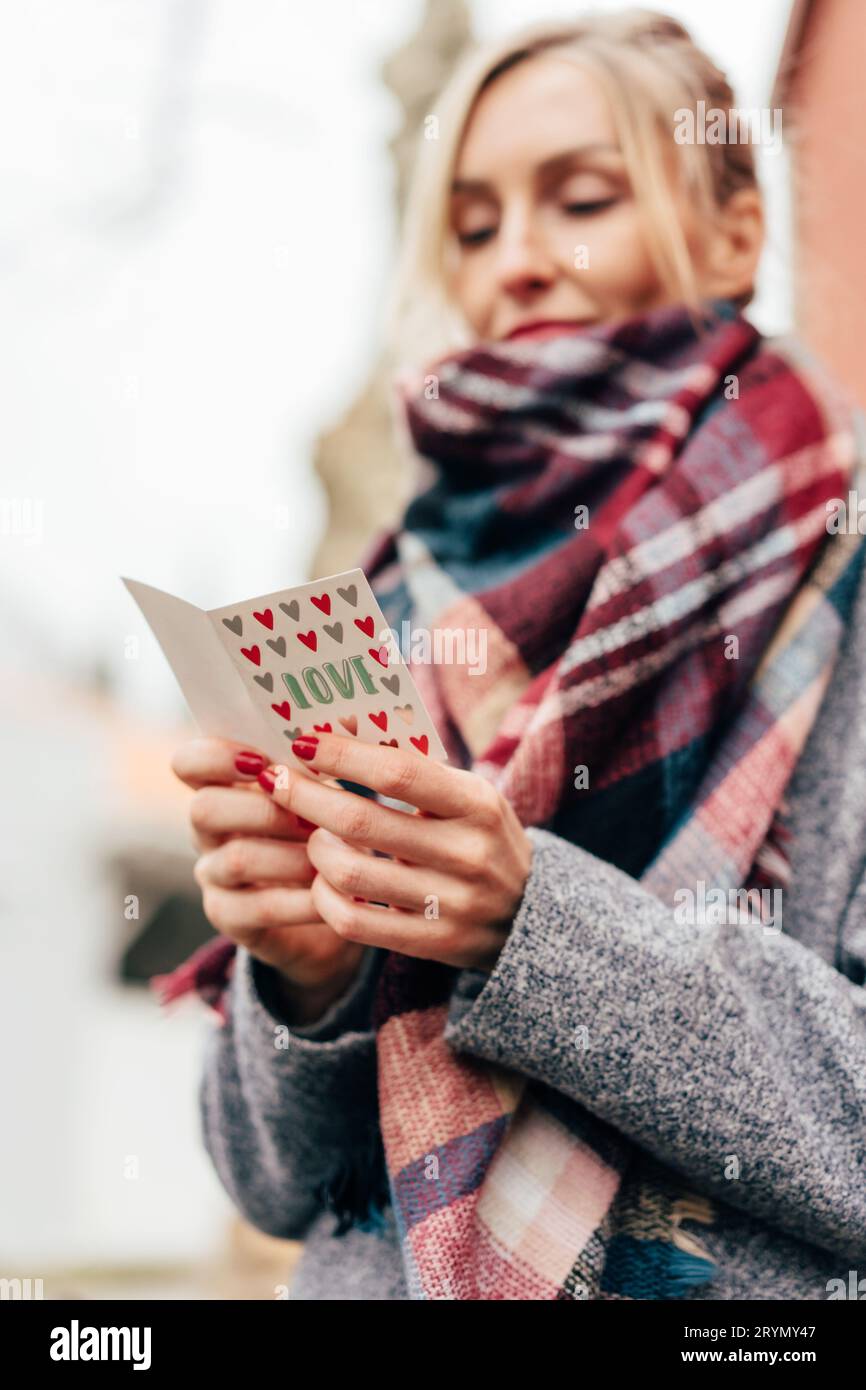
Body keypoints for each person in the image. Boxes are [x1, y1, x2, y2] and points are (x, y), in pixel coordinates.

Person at [162, 10, 866, 1300]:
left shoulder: (849, 583)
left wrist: (534, 921)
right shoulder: (382, 603)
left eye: (583, 199)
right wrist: (305, 982)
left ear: (734, 236)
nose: (518, 264)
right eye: (476, 225)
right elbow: (273, 1186)